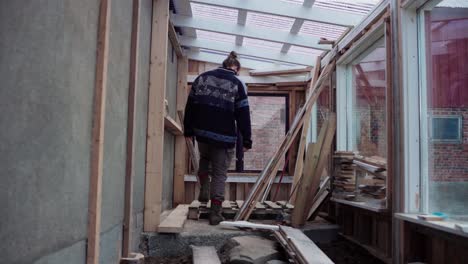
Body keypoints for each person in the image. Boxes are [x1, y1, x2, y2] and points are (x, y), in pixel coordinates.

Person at [184, 51, 252, 225]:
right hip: (224, 137)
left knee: (204, 158)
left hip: (202, 133)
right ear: (236, 69)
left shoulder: (202, 78)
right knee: (220, 174)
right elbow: (243, 115)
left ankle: (204, 186)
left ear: (223, 65)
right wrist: (247, 140)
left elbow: (190, 105)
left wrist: (188, 130)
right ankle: (215, 213)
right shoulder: (237, 83)